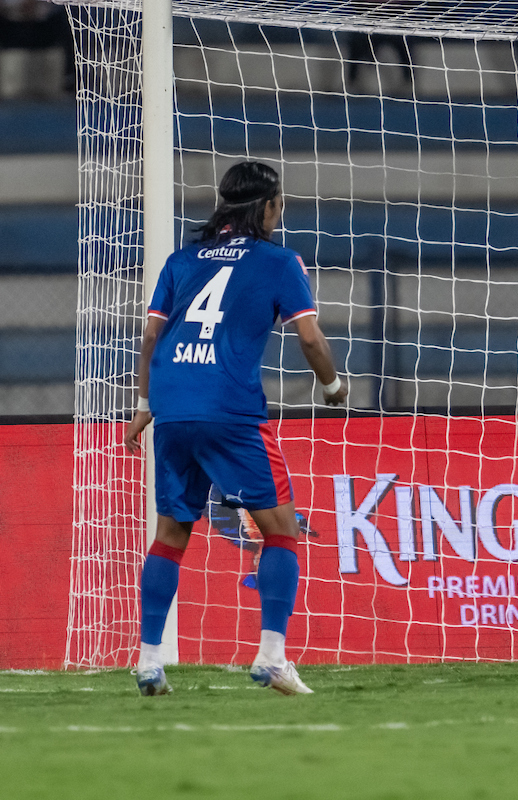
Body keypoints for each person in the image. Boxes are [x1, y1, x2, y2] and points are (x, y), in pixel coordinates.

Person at [124, 161, 348, 696]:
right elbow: (310, 338)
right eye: (279, 204)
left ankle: (149, 661)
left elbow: (151, 337)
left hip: (172, 406)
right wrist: (334, 387)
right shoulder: (280, 261)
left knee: (170, 533)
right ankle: (272, 656)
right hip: (229, 409)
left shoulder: (181, 261)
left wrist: (143, 405)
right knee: (282, 530)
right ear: (268, 207)